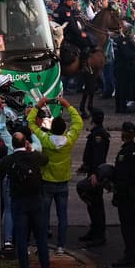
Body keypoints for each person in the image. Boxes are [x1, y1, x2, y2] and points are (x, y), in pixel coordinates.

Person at [0, 128, 52, 268]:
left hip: (19, 201)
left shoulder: (9, 160)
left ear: (12, 144)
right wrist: (32, 150)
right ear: (26, 142)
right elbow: (45, 160)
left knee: (21, 238)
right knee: (41, 237)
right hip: (36, 200)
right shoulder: (34, 157)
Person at [28, 95, 84, 254]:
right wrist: (67, 105)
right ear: (64, 129)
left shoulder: (46, 140)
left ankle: (42, 245)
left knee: (44, 216)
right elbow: (78, 122)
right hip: (63, 182)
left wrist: (38, 106)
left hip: (47, 181)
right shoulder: (69, 140)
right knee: (62, 216)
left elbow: (31, 123)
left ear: (52, 128)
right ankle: (61, 246)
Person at [111, 120, 135, 268]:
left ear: (123, 134)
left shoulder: (124, 153)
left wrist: (116, 195)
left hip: (126, 194)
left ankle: (129, 255)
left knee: (127, 225)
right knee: (132, 222)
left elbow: (121, 177)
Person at [77, 109, 110, 246]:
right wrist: (85, 166)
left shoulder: (98, 136)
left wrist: (95, 173)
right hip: (92, 171)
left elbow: (98, 157)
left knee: (96, 203)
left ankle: (99, 234)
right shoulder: (97, 133)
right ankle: (94, 230)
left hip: (96, 174)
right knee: (93, 204)